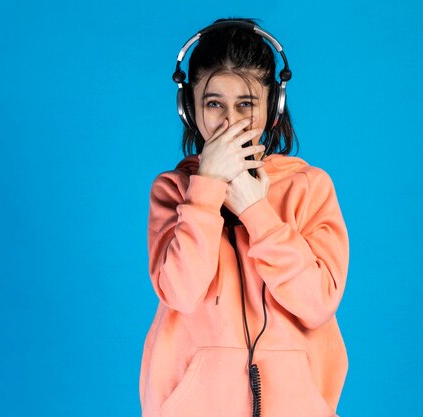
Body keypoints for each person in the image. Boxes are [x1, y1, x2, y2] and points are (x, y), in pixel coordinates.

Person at [139, 17, 349, 417]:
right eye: (214, 103)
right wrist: (207, 189)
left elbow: (317, 302)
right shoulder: (172, 190)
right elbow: (181, 292)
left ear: (274, 106)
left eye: (246, 104)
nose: (230, 121)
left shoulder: (310, 186)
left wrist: (256, 211)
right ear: (190, 109)